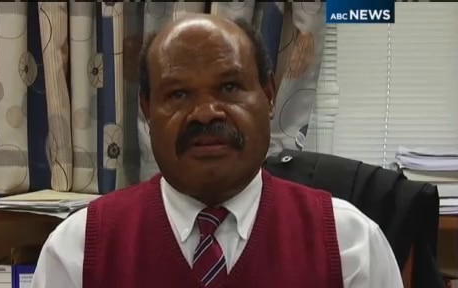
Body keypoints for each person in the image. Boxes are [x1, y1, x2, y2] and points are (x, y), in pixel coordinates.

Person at [31, 14, 403, 288]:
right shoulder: (77, 252)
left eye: (229, 87)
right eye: (178, 94)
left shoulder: (350, 245)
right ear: (147, 111)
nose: (206, 112)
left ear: (269, 95)